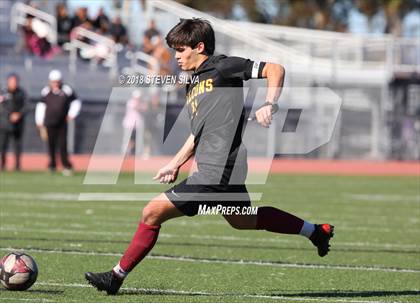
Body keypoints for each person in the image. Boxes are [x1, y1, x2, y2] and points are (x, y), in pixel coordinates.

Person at [85, 18, 334, 295]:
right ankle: (316, 231)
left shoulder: (222, 65)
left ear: (199, 46)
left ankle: (115, 277)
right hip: (220, 166)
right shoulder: (193, 85)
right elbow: (197, 135)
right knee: (244, 221)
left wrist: (269, 103)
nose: (176, 57)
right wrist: (175, 164)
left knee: (151, 212)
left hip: (220, 167)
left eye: (180, 50)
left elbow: (276, 69)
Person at [35, 70, 81, 175]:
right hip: (49, 122)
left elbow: (76, 102)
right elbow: (41, 106)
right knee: (51, 144)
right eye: (53, 81)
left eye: (57, 81)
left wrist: (72, 114)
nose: (55, 84)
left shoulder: (66, 90)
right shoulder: (45, 91)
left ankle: (66, 165)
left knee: (63, 144)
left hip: (61, 122)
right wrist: (39, 121)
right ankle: (52, 165)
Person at [0, 74, 27, 171]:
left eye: (15, 82)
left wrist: (18, 114)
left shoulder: (21, 93)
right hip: (4, 124)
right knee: (3, 146)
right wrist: (9, 115)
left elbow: (26, 106)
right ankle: (2, 165)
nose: (13, 84)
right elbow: (2, 107)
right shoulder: (3, 93)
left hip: (18, 125)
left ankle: (17, 166)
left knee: (17, 146)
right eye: (11, 81)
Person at [121, 90, 147, 156]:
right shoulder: (130, 102)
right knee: (127, 139)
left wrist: (141, 104)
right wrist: (140, 104)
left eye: (138, 97)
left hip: (138, 124)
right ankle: (125, 152)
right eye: (136, 97)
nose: (137, 98)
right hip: (129, 124)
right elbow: (136, 107)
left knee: (139, 139)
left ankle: (139, 153)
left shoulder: (142, 103)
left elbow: (145, 108)